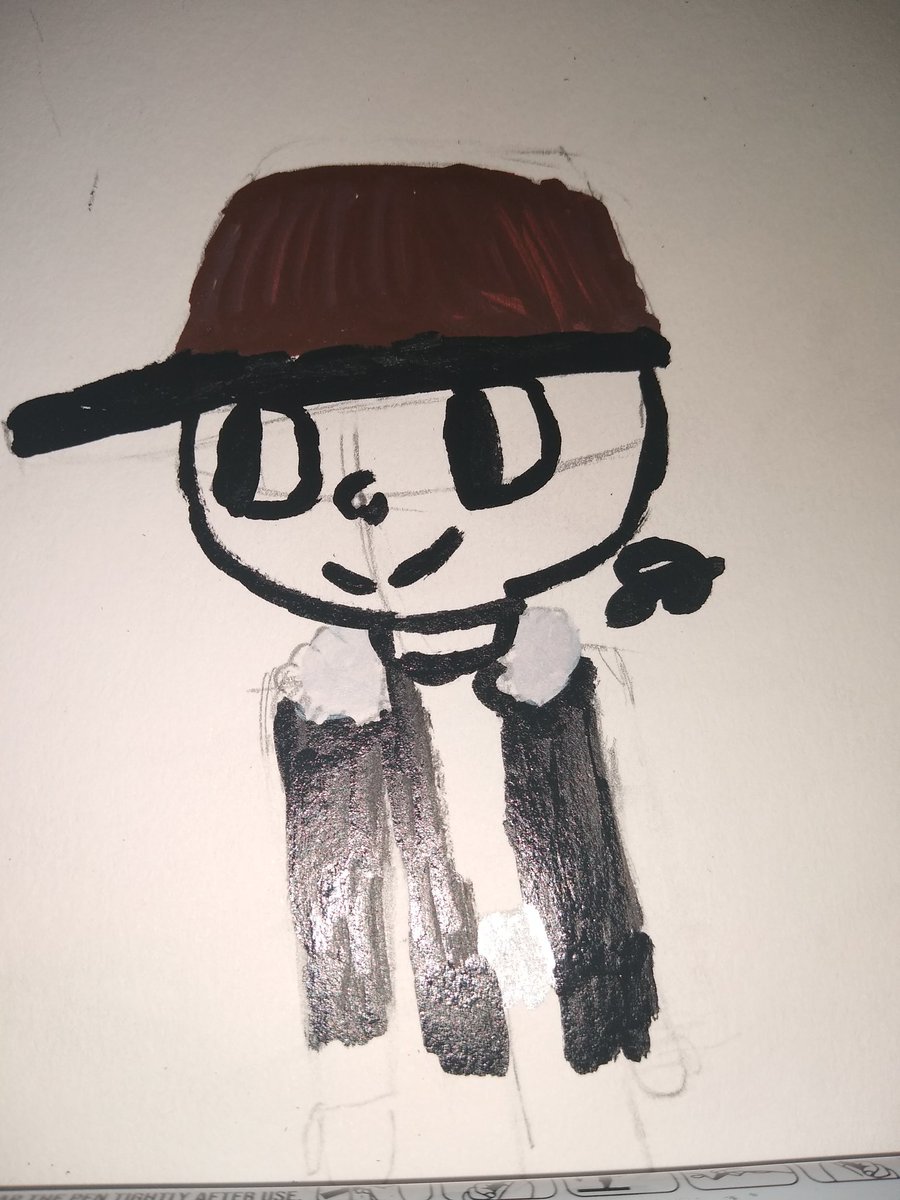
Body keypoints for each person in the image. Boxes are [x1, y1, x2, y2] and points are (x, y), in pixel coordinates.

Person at [6, 161, 723, 1076]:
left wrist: (549, 711)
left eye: (487, 439)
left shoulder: (590, 671)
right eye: (274, 459)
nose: (373, 506)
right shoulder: (296, 703)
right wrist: (337, 736)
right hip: (381, 1091)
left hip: (615, 1066)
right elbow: (324, 945)